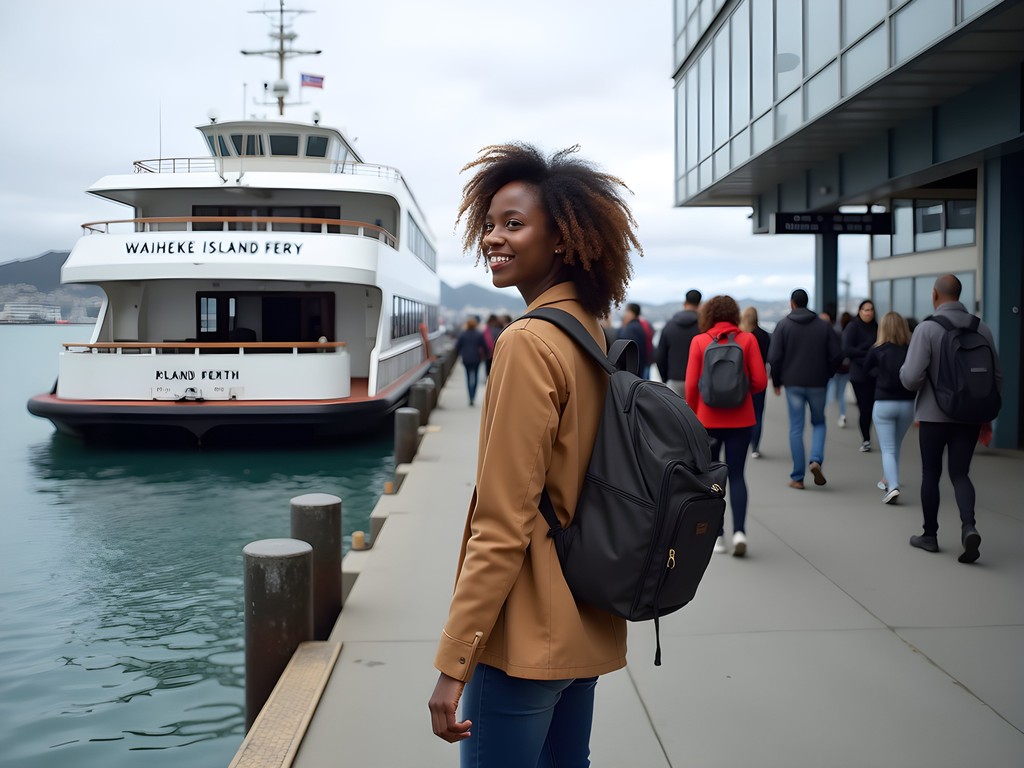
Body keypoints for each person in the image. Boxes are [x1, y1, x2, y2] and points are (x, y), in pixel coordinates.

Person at [429, 142, 640, 765]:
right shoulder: (590, 333)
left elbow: (502, 521)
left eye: (513, 224)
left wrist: (454, 661)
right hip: (584, 619)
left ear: (563, 240)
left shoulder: (526, 343)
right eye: (490, 224)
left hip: (524, 634)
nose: (492, 238)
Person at [900, 274, 1002, 563]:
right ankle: (969, 526)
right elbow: (996, 377)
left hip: (934, 416)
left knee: (930, 474)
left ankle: (929, 535)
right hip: (970, 416)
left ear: (935, 295)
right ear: (960, 294)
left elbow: (911, 378)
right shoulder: (981, 327)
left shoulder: (927, 328)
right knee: (960, 473)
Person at [686, 296, 767, 556]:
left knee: (710, 480)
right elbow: (761, 382)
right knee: (737, 475)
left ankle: (717, 536)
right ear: (734, 314)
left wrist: (694, 413)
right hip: (741, 419)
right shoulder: (748, 340)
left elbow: (690, 386)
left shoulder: (699, 342)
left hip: (707, 421)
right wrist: (741, 392)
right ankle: (740, 532)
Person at [766, 289, 843, 489]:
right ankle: (815, 459)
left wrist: (776, 381)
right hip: (818, 382)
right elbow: (837, 355)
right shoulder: (823, 326)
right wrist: (828, 374)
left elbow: (774, 357)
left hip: (793, 383)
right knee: (818, 422)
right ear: (807, 303)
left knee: (796, 428)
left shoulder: (783, 325)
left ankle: (798, 477)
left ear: (792, 303)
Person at [864, 312, 916, 505]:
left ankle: (892, 485)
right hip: (907, 403)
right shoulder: (911, 350)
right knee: (895, 445)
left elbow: (866, 369)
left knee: (887, 448)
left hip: (884, 402)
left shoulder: (877, 349)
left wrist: (881, 375)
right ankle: (887, 480)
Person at [843, 300, 878, 452]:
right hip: (859, 375)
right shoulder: (853, 327)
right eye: (865, 309)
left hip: (875, 374)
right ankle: (866, 439)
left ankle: (870, 437)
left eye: (871, 310)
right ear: (860, 311)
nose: (868, 312)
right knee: (864, 408)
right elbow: (847, 350)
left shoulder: (877, 327)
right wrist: (868, 354)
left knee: (873, 408)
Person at [655, 289, 702, 397]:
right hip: (698, 381)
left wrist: (665, 377)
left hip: (674, 380)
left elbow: (659, 355)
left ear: (685, 303)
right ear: (699, 304)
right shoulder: (703, 327)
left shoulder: (669, 326)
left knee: (675, 413)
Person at [739, 306, 771, 458]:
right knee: (758, 414)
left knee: (743, 412)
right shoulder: (764, 335)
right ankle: (755, 447)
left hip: (741, 380)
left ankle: (742, 443)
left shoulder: (740, 336)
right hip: (759, 378)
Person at [454, 315, 489, 406]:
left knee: (468, 377)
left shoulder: (463, 334)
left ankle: (470, 397)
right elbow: (484, 346)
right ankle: (473, 395)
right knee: (476, 377)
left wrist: (461, 352)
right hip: (476, 358)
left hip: (466, 358)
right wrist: (485, 354)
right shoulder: (479, 334)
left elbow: (457, 346)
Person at [827, 311, 853, 427]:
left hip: (836, 368)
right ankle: (842, 415)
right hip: (846, 368)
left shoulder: (836, 333)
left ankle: (827, 414)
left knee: (831, 390)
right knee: (841, 393)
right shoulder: (851, 334)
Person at [618, 303, 650, 379]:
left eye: (626, 311)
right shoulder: (639, 326)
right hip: (640, 368)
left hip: (631, 373)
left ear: (631, 313)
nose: (624, 314)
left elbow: (625, 350)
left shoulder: (630, 329)